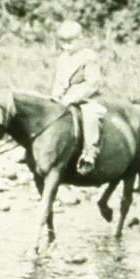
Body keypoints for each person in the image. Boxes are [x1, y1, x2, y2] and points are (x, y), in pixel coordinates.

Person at [50, 20, 105, 175]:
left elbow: (93, 83)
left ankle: (90, 153)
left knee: (91, 117)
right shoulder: (62, 58)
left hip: (87, 97)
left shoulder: (89, 56)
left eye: (71, 41)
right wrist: (56, 94)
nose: (67, 45)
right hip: (64, 96)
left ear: (81, 39)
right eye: (63, 42)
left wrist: (74, 97)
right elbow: (59, 81)